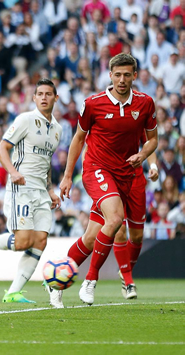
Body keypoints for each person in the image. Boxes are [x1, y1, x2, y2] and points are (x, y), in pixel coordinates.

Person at [59, 53, 158, 306]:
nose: (122, 80)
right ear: (110, 76)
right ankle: (90, 281)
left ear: (134, 76)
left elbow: (152, 139)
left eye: (127, 75)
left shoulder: (146, 103)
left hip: (128, 173)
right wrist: (68, 176)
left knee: (97, 236)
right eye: (117, 75)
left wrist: (144, 155)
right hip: (97, 169)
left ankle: (57, 280)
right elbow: (78, 139)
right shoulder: (93, 103)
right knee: (115, 220)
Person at [0, 78, 63, 303]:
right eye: (40, 94)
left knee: (40, 240)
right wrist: (13, 172)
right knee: (22, 242)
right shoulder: (25, 119)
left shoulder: (57, 129)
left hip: (41, 191)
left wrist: (50, 190)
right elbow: (1, 148)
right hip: (22, 187)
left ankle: (13, 292)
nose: (44, 97)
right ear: (34, 98)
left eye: (49, 94)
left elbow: (46, 163)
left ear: (56, 98)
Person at [46, 146, 160, 308]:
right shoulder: (101, 122)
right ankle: (72, 280)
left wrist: (153, 165)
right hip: (106, 178)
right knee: (109, 228)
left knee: (136, 236)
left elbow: (150, 141)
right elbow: (84, 139)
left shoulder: (139, 119)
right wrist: (73, 174)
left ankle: (124, 274)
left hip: (133, 181)